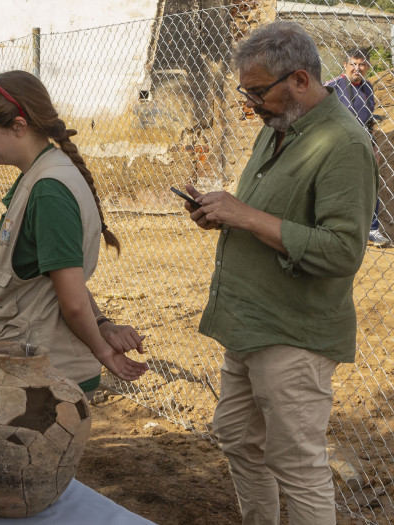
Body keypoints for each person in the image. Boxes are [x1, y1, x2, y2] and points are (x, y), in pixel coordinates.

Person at [184, 22, 376, 524]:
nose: (251, 104)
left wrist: (245, 216)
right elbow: (267, 216)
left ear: (299, 80)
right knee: (238, 438)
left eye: (257, 92)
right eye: (246, 93)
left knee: (297, 464)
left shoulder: (343, 144)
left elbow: (343, 251)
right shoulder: (277, 127)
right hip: (248, 322)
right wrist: (223, 214)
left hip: (293, 332)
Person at [0, 70, 148, 394]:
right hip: (32, 368)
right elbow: (60, 278)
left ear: (18, 126)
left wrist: (104, 351)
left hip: (43, 377)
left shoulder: (48, 190)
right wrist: (102, 324)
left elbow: (74, 303)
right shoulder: (40, 176)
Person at [323, 49, 388, 247]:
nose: (357, 68)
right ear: (345, 65)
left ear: (367, 67)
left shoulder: (368, 87)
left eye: (361, 64)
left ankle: (371, 229)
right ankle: (334, 227)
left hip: (363, 143)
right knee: (336, 185)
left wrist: (374, 146)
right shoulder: (332, 86)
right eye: (353, 63)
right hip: (336, 143)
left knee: (370, 182)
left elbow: (368, 121)